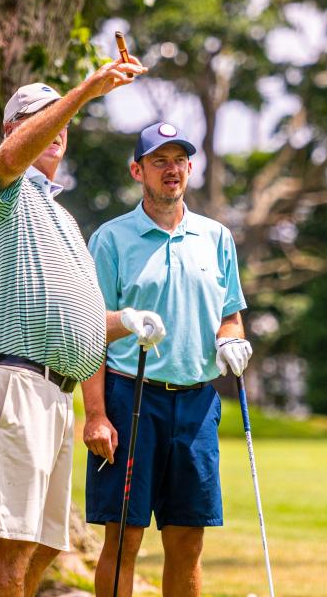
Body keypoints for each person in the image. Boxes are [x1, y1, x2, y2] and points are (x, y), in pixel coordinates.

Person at [0, 57, 148, 597]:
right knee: (13, 542)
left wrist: (122, 322)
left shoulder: (63, 216)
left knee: (46, 543)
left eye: (62, 123)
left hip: (55, 391)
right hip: (13, 379)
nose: (57, 130)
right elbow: (13, 156)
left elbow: (80, 315)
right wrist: (87, 90)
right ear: (12, 128)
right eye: (42, 119)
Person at [82, 122, 254, 597]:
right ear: (138, 170)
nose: (171, 169)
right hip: (129, 400)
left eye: (179, 160)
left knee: (187, 540)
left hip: (197, 405)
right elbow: (92, 330)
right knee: (123, 538)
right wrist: (95, 414)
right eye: (159, 161)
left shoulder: (216, 238)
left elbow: (231, 317)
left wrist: (231, 342)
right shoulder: (112, 239)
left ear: (190, 169)